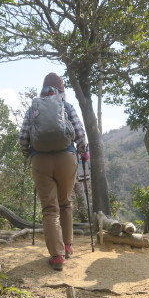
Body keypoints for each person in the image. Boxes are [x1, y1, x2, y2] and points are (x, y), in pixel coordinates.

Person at [18, 72, 89, 271]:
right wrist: (83, 153)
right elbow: (81, 136)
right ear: (61, 90)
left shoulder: (34, 109)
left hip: (40, 159)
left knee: (50, 209)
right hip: (66, 158)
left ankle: (57, 257)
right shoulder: (66, 106)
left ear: (43, 88)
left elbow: (23, 138)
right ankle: (67, 246)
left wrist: (30, 154)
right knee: (65, 203)